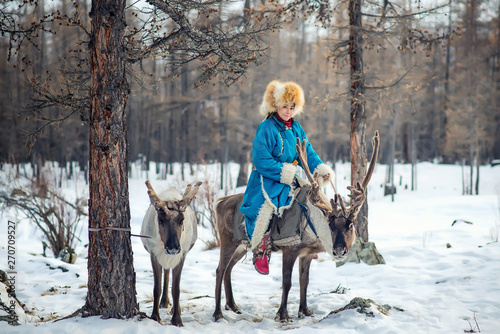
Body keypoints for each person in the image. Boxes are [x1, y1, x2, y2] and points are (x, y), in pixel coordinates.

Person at [240, 80, 334, 275]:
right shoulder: (266, 128)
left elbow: (307, 151)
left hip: (290, 177)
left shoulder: (296, 128)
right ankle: (261, 247)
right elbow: (260, 159)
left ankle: (307, 239)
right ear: (275, 105)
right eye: (285, 106)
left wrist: (320, 168)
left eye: (292, 107)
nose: (288, 111)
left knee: (311, 197)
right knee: (265, 209)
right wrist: (283, 171)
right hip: (267, 178)